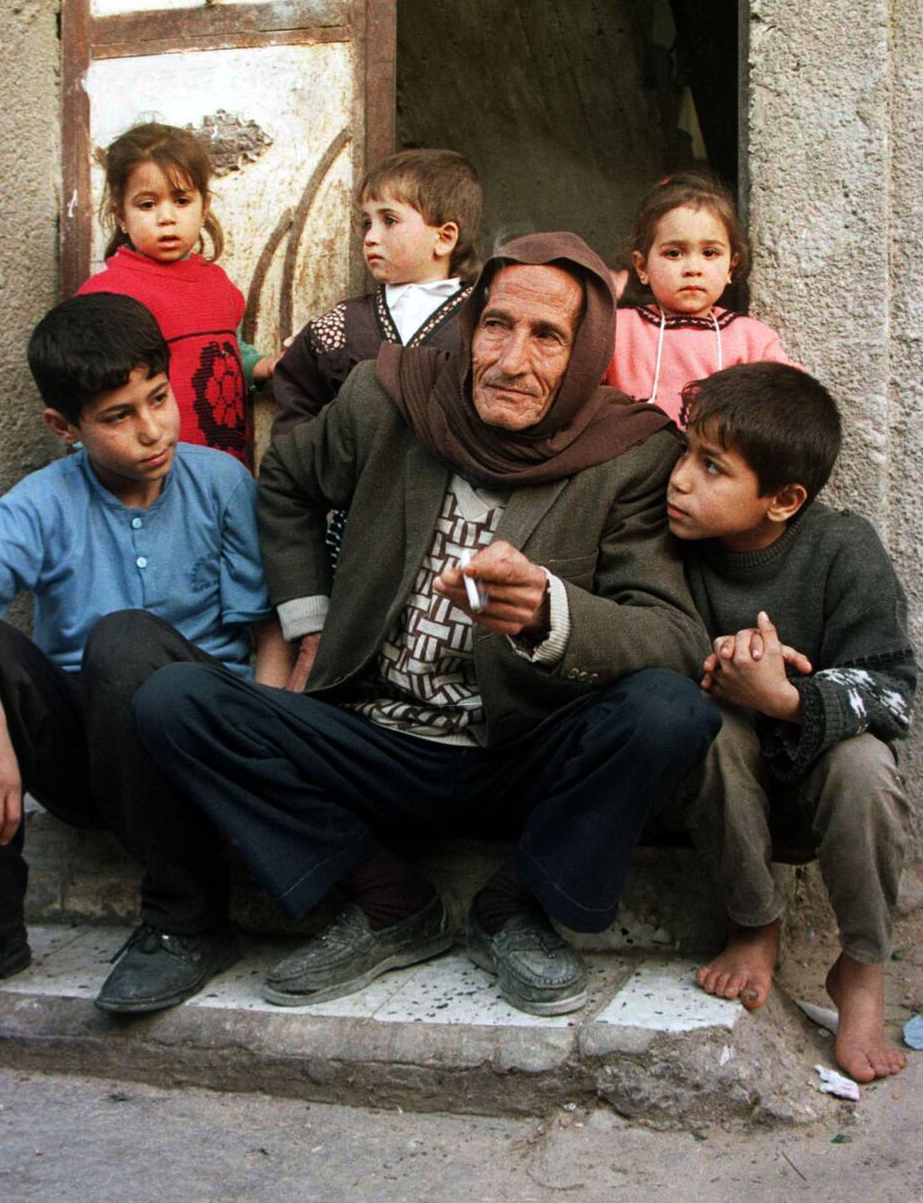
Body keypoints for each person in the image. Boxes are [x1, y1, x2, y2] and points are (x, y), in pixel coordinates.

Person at [135, 232, 720, 1018]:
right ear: (470, 322)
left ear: (585, 354)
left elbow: (674, 637)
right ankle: (386, 900)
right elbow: (285, 478)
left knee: (670, 711)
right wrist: (310, 623)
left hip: (523, 752)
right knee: (175, 701)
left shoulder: (631, 455)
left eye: (547, 337)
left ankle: (517, 906)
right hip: (372, 735)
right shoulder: (394, 400)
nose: (511, 361)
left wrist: (552, 613)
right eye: (497, 326)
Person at [0, 293, 289, 1024]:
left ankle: (189, 919)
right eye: (118, 417)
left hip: (202, 746)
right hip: (94, 764)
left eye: (158, 398)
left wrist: (271, 744)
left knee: (122, 638)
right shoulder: (44, 501)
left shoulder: (221, 482)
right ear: (64, 427)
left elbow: (267, 633)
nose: (153, 430)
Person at [667, 362, 915, 1082]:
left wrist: (788, 698)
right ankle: (754, 923)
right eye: (686, 453)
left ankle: (862, 971)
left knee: (866, 764)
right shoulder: (671, 549)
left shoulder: (843, 549)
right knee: (708, 723)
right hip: (720, 793)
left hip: (821, 793)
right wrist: (721, 673)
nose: (680, 479)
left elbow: (894, 693)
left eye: (711, 467)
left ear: (783, 500)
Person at [79, 122, 277, 469]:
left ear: (203, 207)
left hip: (224, 474)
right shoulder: (107, 296)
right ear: (120, 217)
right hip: (150, 480)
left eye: (182, 200)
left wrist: (265, 366)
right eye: (147, 204)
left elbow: (229, 356)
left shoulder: (217, 284)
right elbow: (93, 400)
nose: (167, 218)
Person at [271, 147, 481, 435]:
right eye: (367, 223)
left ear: (444, 238)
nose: (370, 238)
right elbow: (296, 406)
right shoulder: (341, 324)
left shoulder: (481, 322)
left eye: (389, 221)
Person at [604, 172, 791, 422]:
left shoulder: (752, 340)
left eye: (710, 253)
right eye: (674, 253)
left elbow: (791, 403)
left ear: (731, 266)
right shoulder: (618, 329)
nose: (693, 267)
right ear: (642, 267)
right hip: (634, 456)